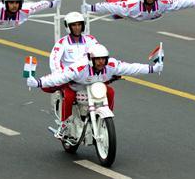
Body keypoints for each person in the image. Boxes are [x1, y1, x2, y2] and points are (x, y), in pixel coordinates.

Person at [27, 44, 164, 139]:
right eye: (97, 59)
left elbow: (131, 68)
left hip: (96, 87)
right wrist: (38, 82)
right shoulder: (79, 68)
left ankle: (105, 120)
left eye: (103, 59)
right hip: (76, 87)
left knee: (110, 92)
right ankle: (64, 125)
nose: (101, 62)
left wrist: (153, 68)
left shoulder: (111, 65)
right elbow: (58, 77)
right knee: (68, 96)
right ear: (91, 59)